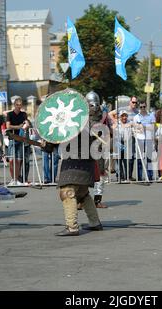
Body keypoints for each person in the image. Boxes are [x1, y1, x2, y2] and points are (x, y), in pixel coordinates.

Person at [50, 90, 103, 236]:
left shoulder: (83, 122)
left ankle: (72, 227)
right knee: (83, 194)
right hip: (85, 164)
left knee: (67, 192)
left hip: (74, 163)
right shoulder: (91, 122)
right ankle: (95, 222)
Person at [6, 97, 30, 186]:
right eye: (17, 105)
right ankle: (13, 178)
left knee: (19, 160)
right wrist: (19, 127)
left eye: (20, 105)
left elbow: (26, 123)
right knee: (12, 160)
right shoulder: (10, 114)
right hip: (12, 139)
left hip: (21, 139)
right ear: (14, 105)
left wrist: (26, 125)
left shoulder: (23, 114)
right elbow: (8, 126)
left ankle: (17, 178)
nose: (19, 107)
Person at [133, 102, 156, 181]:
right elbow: (136, 128)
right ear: (139, 107)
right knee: (139, 159)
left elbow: (153, 127)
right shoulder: (136, 117)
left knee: (149, 159)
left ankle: (150, 176)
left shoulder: (151, 115)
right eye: (141, 107)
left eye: (144, 107)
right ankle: (139, 177)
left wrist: (143, 126)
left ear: (146, 107)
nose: (142, 108)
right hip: (140, 138)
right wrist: (143, 127)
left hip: (149, 139)